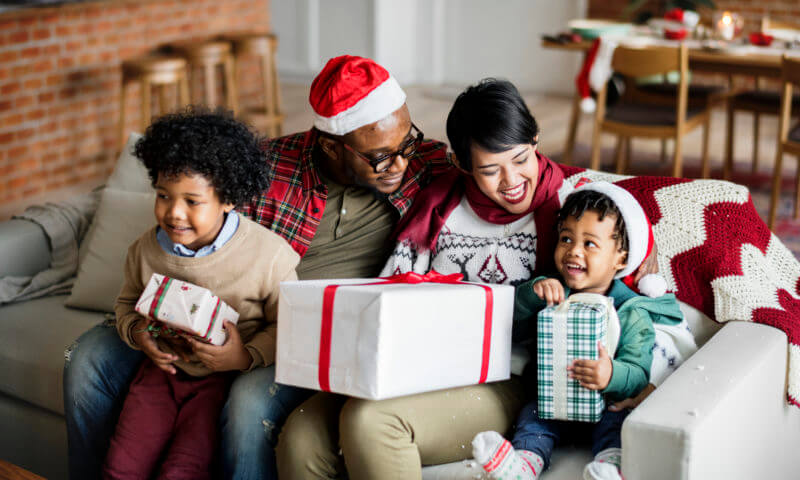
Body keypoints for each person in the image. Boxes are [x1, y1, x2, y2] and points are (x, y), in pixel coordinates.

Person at [63, 55, 455, 480]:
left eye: (406, 144)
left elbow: (502, 178)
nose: (399, 164)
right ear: (330, 145)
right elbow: (187, 232)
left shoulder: (425, 167)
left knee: (250, 400)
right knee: (87, 359)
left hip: (311, 332)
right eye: (379, 157)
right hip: (222, 315)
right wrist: (153, 324)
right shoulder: (265, 168)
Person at [275, 80, 660, 480]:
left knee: (371, 421)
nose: (511, 181)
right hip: (418, 360)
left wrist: (635, 373)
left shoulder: (569, 206)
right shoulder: (439, 205)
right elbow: (390, 289)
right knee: (301, 435)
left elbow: (625, 249)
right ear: (461, 164)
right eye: (490, 170)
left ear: (536, 139)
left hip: (507, 377)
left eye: (521, 158)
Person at [102, 109, 300, 479]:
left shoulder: (270, 256)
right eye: (163, 195)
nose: (173, 213)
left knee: (183, 471)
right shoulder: (144, 251)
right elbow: (127, 304)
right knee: (120, 468)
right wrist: (138, 333)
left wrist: (244, 355)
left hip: (222, 385)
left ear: (228, 199)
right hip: (158, 377)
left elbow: (292, 326)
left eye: (192, 201)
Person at [471, 181, 684, 480]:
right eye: (566, 239)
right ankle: (523, 464)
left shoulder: (631, 310)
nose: (573, 252)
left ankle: (610, 467)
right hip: (552, 401)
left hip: (605, 405)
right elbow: (510, 332)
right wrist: (531, 294)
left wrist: (611, 374)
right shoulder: (550, 289)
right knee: (532, 419)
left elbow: (638, 371)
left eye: (590, 244)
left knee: (618, 421)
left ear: (620, 258)